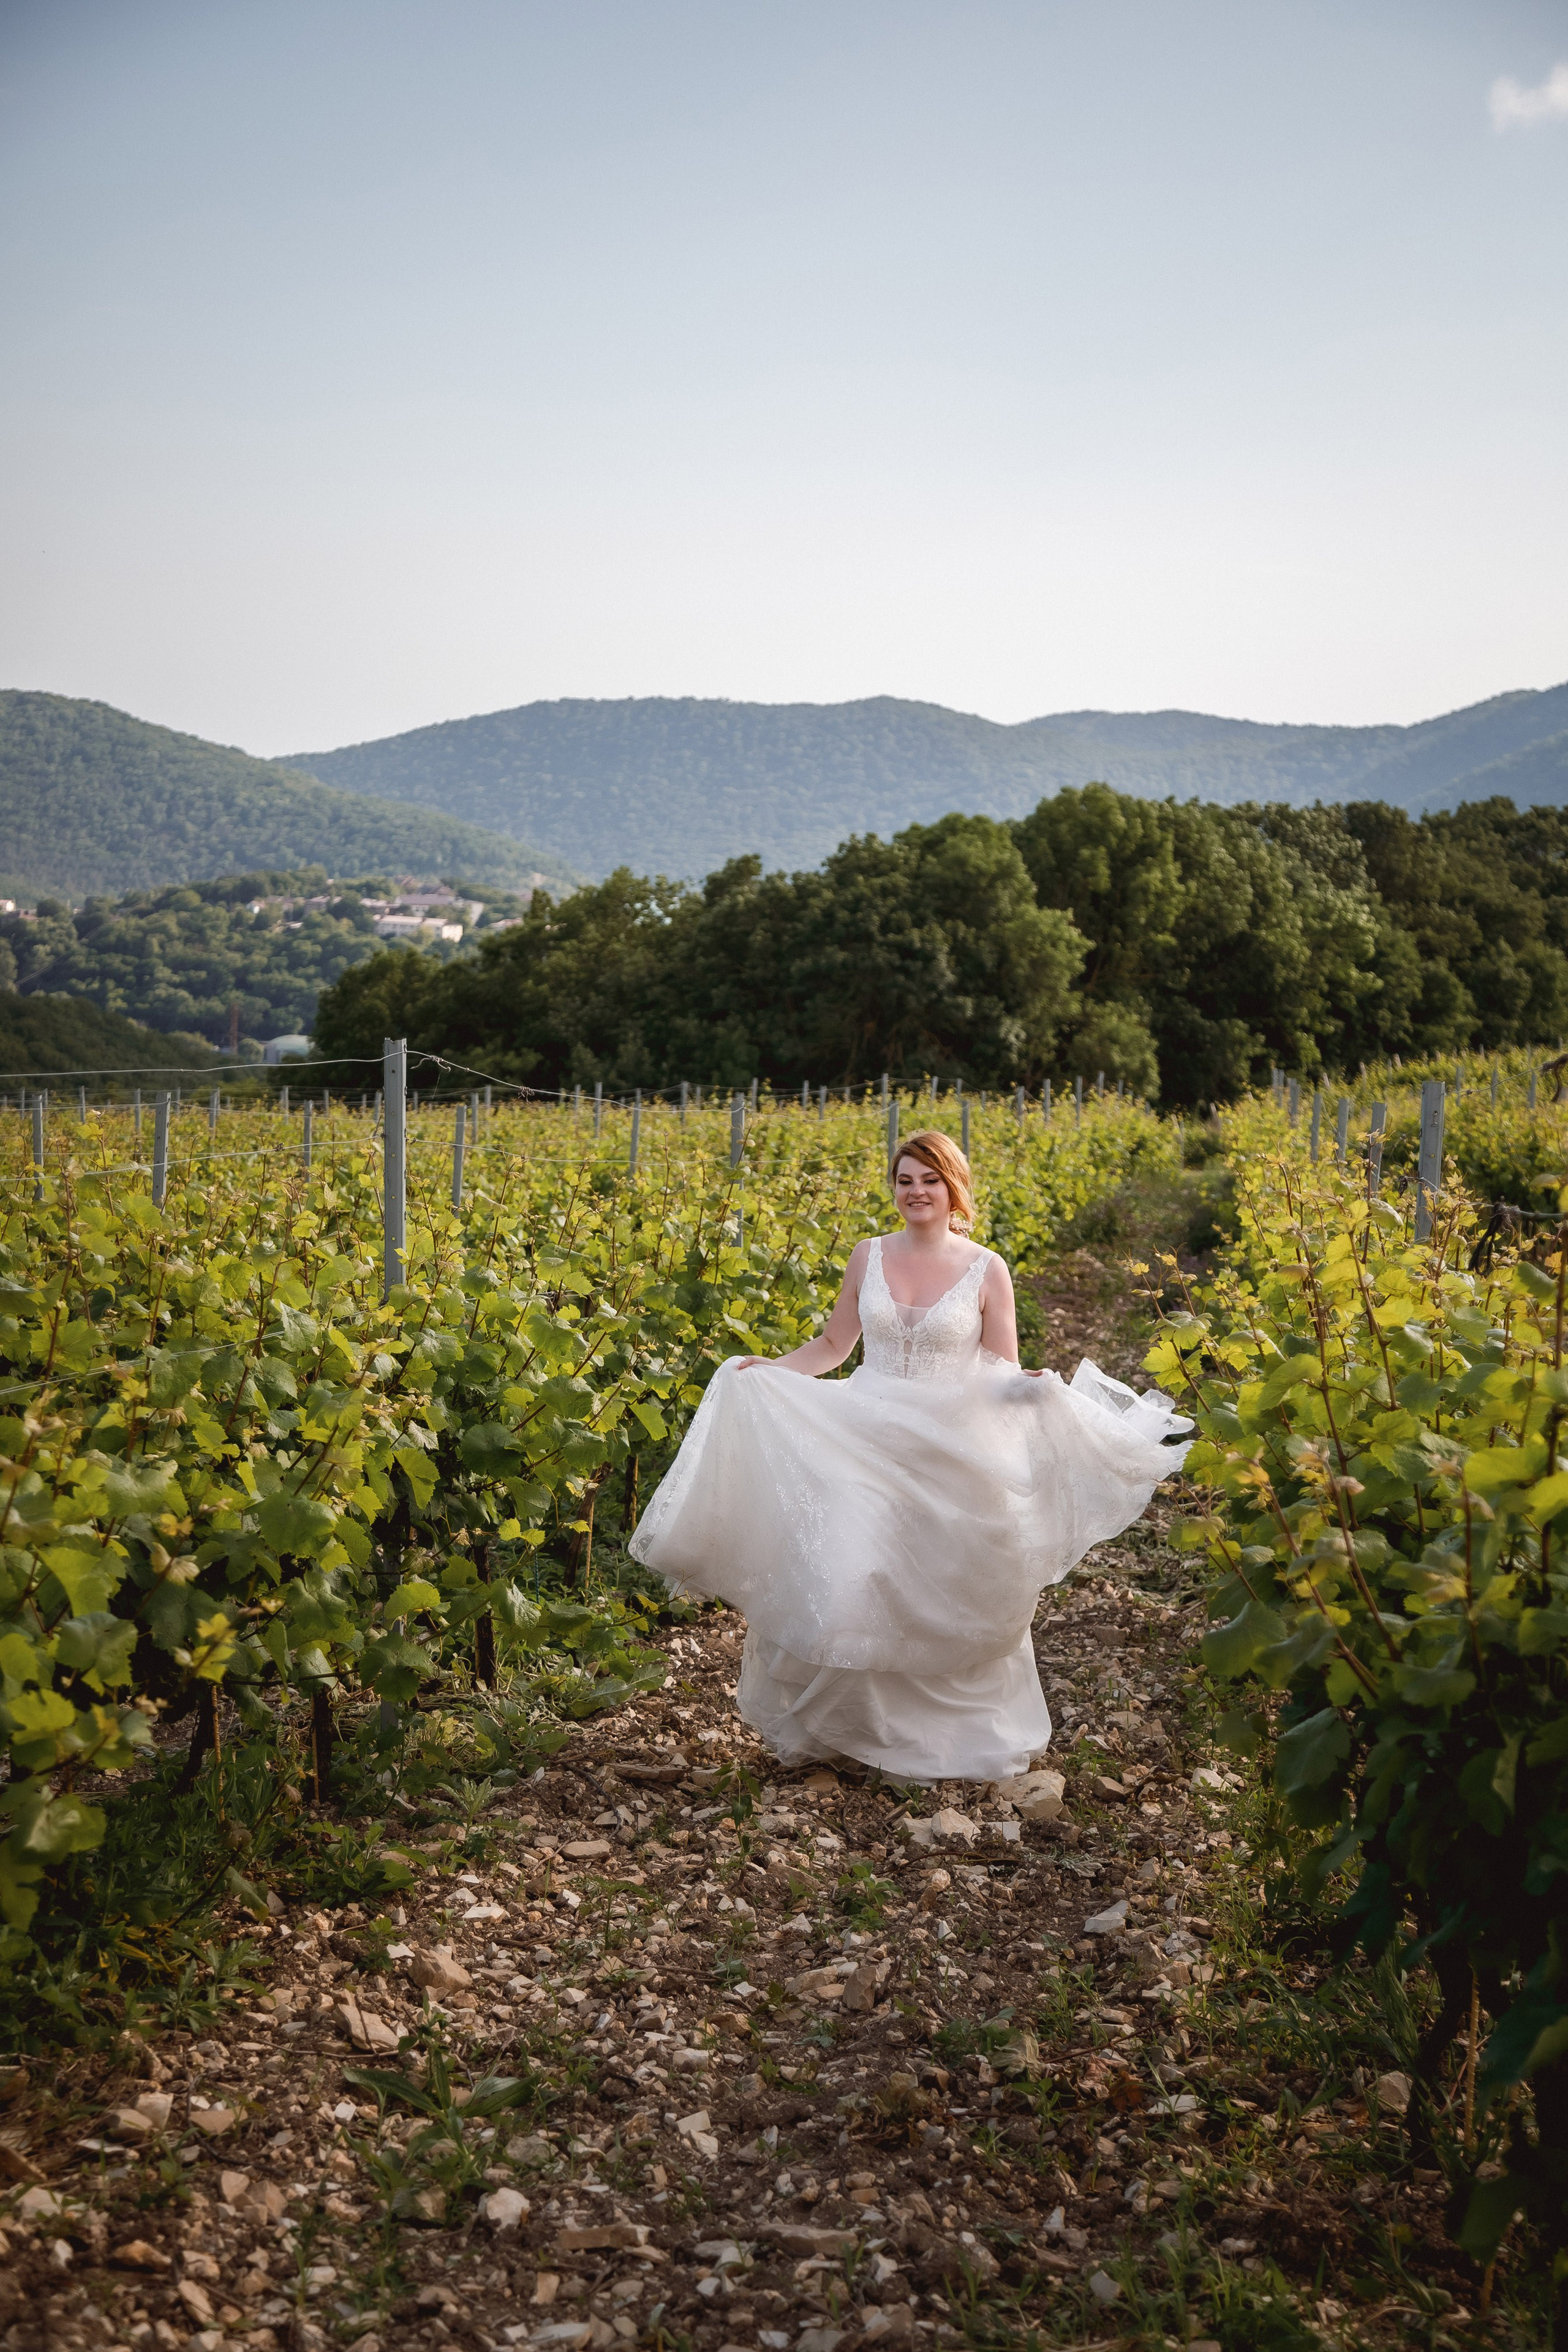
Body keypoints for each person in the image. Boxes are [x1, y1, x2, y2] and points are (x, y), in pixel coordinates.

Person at [629, 1129, 1188, 1782]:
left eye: (929, 1179)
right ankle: (849, 1732)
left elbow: (1000, 1367)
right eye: (904, 1180)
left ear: (954, 1189)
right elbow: (837, 1345)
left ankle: (933, 1741)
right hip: (864, 1435)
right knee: (850, 1574)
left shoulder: (987, 1267)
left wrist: (1033, 1387)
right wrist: (768, 1371)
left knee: (937, 1587)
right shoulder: (867, 1255)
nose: (915, 1192)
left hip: (951, 1444)